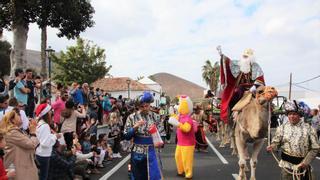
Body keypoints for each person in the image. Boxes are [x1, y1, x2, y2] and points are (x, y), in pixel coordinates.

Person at [266, 100, 320, 180]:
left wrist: (305, 162)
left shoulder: (309, 129)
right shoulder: (282, 128)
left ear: (300, 115)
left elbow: (315, 148)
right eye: (290, 114)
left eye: (294, 114)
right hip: (287, 167)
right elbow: (277, 142)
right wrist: (272, 146)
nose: (291, 116)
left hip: (303, 167)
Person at [123, 91, 162, 180]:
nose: (144, 108)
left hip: (153, 151)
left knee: (154, 176)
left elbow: (162, 133)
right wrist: (135, 128)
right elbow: (126, 135)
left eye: (146, 106)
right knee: (137, 176)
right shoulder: (131, 117)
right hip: (137, 152)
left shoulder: (156, 117)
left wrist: (160, 142)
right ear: (138, 106)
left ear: (150, 105)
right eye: (142, 106)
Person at [219, 48, 265, 124]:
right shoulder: (239, 65)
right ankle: (231, 117)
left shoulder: (256, 66)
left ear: (251, 58)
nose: (245, 58)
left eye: (246, 57)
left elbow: (260, 78)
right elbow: (229, 63)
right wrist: (223, 57)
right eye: (244, 56)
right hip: (240, 90)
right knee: (233, 96)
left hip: (254, 89)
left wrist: (254, 87)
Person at [0, 108, 39, 180]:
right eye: (18, 115)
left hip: (22, 168)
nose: (20, 116)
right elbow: (31, 145)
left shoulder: (17, 131)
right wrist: (33, 132)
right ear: (12, 120)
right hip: (20, 170)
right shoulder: (12, 132)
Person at [35, 103, 61, 180]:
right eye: (50, 111)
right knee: (43, 177)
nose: (51, 113)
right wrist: (55, 136)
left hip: (40, 153)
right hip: (43, 154)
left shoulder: (40, 123)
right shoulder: (44, 125)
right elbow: (45, 143)